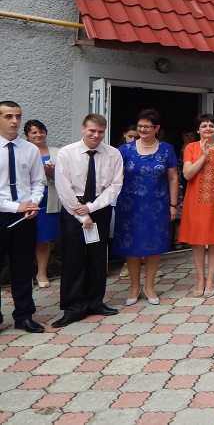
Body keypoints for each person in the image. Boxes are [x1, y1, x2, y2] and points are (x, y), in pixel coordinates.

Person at [52, 114, 123, 327]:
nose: (96, 135)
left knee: (97, 258)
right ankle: (74, 307)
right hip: (73, 209)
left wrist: (91, 209)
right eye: (92, 130)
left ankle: (95, 302)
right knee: (73, 259)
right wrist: (82, 214)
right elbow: (63, 187)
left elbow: (115, 186)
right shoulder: (67, 153)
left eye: (100, 132)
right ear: (83, 129)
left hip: (99, 209)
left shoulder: (113, 154)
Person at [113, 109, 179, 306]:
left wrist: (173, 205)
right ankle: (134, 287)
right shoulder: (125, 150)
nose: (141, 129)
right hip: (129, 206)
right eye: (140, 125)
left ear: (156, 128)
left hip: (157, 206)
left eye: (146, 126)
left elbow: (173, 178)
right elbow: (116, 177)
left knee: (153, 245)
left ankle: (149, 287)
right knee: (131, 247)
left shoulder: (166, 149)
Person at [0, 101, 45, 333]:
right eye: (8, 116)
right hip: (2, 215)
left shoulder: (30, 149)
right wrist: (14, 206)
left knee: (23, 267)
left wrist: (33, 203)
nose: (15, 121)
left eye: (17, 116)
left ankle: (24, 315)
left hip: (25, 217)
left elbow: (38, 182)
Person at [178, 113, 214, 298]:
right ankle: (200, 279)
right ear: (198, 130)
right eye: (204, 126)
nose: (208, 128)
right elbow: (187, 174)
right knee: (197, 242)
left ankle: (211, 279)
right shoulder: (191, 147)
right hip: (195, 202)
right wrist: (203, 156)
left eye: (211, 126)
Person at [24, 120, 61, 288]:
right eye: (34, 132)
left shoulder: (57, 152)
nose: (38, 135)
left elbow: (65, 177)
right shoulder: (22, 151)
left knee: (43, 238)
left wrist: (52, 173)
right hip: (28, 200)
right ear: (26, 135)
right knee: (24, 238)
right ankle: (24, 275)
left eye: (41, 131)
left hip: (49, 200)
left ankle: (42, 273)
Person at [117, 125, 139, 279]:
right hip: (124, 195)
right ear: (124, 134)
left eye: (136, 137)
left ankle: (146, 261)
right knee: (127, 231)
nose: (133, 140)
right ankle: (126, 263)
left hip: (142, 195)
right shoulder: (120, 151)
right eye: (130, 136)